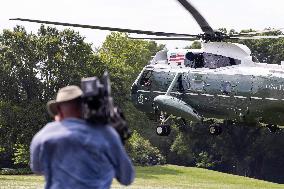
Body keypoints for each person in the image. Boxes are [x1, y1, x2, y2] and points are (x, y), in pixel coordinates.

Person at [30, 85, 135, 189]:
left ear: (58, 110)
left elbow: (37, 169)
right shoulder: (105, 133)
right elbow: (127, 178)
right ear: (85, 105)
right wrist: (118, 139)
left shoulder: (43, 135)